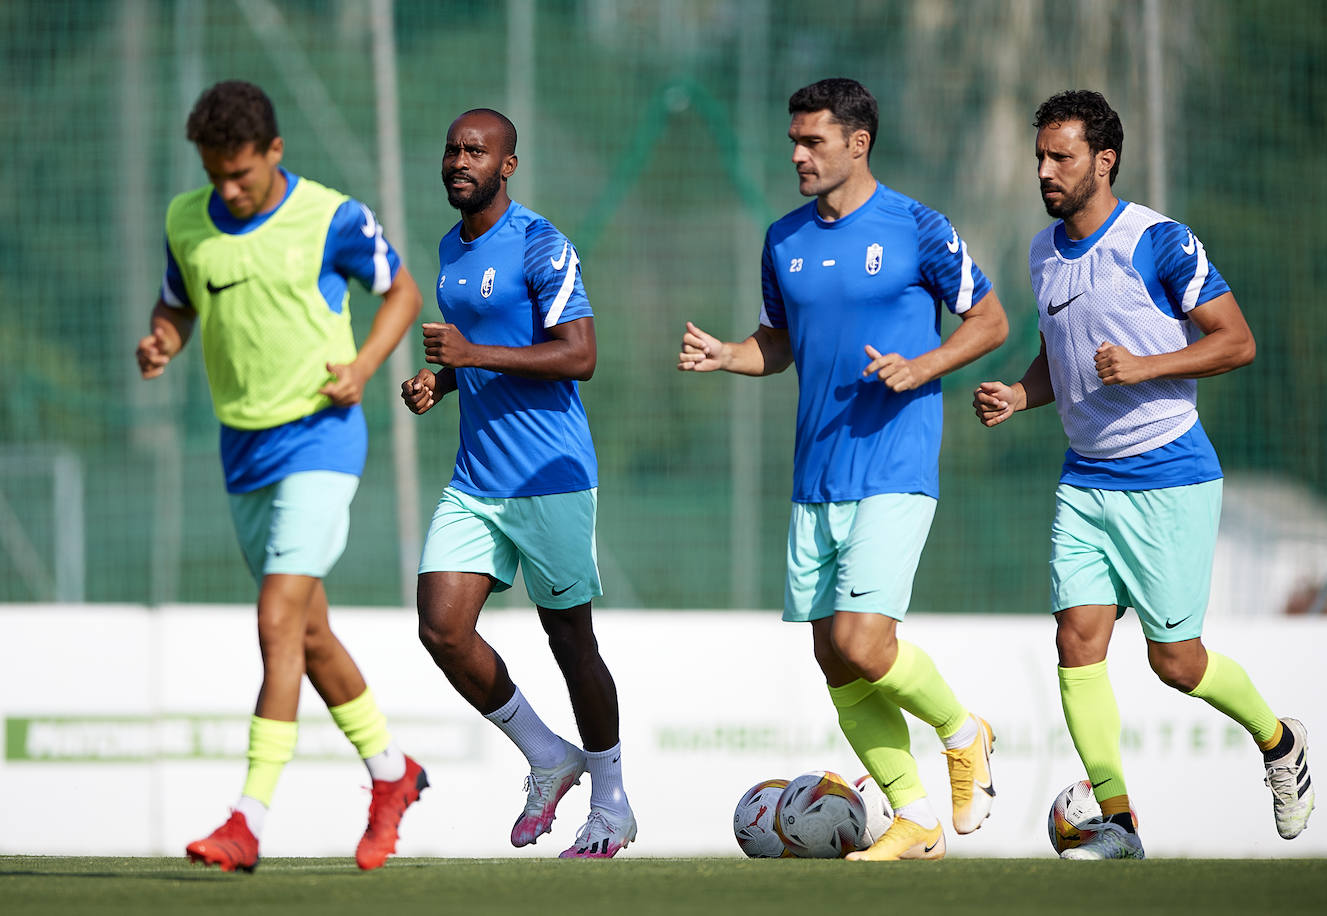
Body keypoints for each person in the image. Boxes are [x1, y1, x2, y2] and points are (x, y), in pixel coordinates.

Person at [973, 89, 1314, 859]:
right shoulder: (1040, 252)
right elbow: (1062, 357)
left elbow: (1236, 341)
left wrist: (1146, 366)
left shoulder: (1159, 242)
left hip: (1170, 475)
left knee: (1176, 663)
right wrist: (1019, 395)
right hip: (1085, 481)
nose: (1045, 171)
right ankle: (1119, 823)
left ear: (1105, 160)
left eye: (1061, 157)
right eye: (1040, 158)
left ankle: (1279, 739)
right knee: (1076, 640)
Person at [678, 78, 1008, 862]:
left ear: (857, 144)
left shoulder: (917, 228)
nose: (797, 154)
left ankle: (965, 733)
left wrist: (924, 365)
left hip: (894, 464)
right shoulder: (783, 239)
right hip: (814, 476)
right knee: (833, 655)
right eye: (794, 139)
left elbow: (990, 321)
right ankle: (913, 816)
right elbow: (779, 341)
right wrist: (730, 355)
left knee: (864, 641)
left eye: (813, 141)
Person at [135, 80, 426, 872]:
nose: (227, 191)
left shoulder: (331, 217)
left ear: (274, 153)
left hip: (321, 439)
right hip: (243, 449)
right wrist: (164, 339)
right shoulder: (186, 221)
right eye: (214, 175)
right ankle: (393, 775)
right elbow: (180, 303)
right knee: (307, 631)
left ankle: (247, 819)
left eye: (242, 175)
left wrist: (365, 365)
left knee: (274, 619)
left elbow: (402, 291)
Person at [400, 108, 635, 859]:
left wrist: (469, 355)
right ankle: (546, 755)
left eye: (476, 150)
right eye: (451, 149)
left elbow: (578, 355)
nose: (458, 160)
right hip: (478, 479)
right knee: (441, 624)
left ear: (507, 166)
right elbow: (479, 354)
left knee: (570, 640)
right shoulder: (449, 247)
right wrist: (443, 379)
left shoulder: (541, 242)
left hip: (550, 476)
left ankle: (612, 802)